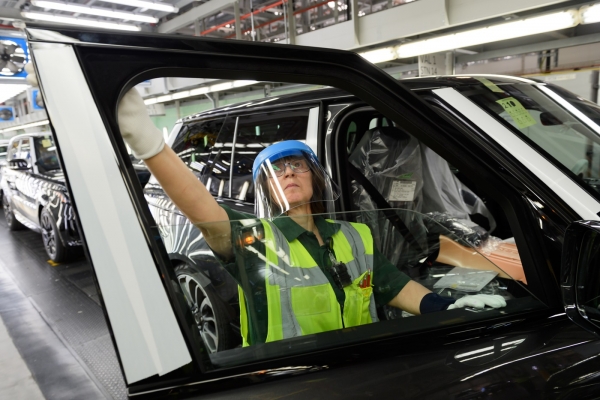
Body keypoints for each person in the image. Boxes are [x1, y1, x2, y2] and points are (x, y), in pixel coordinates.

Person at [115, 88, 507, 346]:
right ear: (267, 190)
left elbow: (394, 285)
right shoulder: (253, 240)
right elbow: (200, 206)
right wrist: (148, 142)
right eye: (275, 170)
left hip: (361, 369)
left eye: (297, 165)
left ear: (315, 178)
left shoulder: (354, 235)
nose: (287, 173)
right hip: (289, 379)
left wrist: (445, 308)